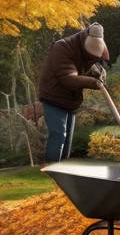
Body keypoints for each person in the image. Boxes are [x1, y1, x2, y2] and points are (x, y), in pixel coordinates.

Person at [37, 23, 109, 164]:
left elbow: (86, 63)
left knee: (67, 138)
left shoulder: (82, 47)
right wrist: (93, 82)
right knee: (58, 136)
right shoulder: (62, 48)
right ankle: (51, 170)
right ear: (84, 42)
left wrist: (98, 73)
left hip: (70, 100)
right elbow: (68, 79)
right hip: (54, 97)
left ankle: (63, 171)